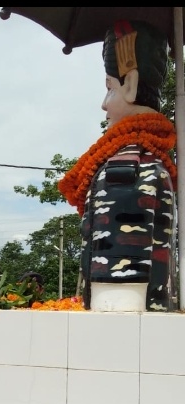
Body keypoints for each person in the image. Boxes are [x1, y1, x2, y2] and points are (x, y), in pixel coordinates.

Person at [58, 19, 177, 312]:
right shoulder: (156, 161)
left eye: (110, 88)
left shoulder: (127, 169)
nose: (104, 104)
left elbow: (117, 291)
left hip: (122, 323)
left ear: (131, 84)